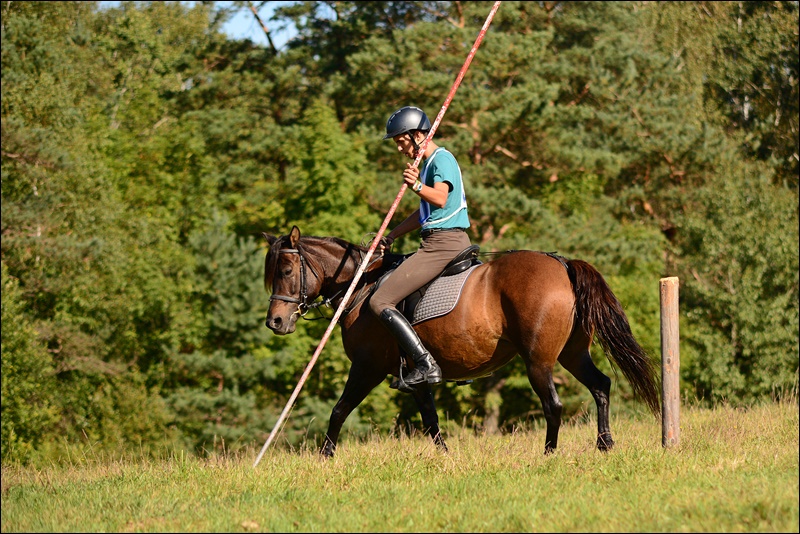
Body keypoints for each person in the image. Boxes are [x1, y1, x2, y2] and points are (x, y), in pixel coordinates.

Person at [369, 106, 472, 389]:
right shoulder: (428, 165)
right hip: (436, 239)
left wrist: (415, 186)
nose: (400, 149)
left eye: (401, 141)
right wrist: (392, 235)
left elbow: (439, 198)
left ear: (416, 135)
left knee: (379, 301)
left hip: (442, 244)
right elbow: (424, 212)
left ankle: (426, 365)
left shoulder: (441, 159)